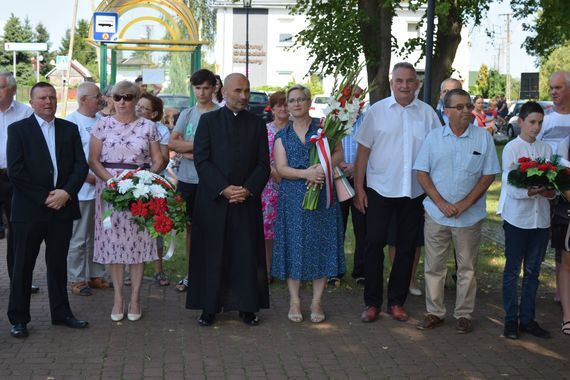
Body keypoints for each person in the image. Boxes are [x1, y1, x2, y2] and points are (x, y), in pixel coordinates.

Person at [354, 62, 441, 323]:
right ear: (392, 83)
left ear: (417, 84)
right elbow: (363, 152)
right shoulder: (376, 112)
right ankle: (372, 303)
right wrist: (359, 187)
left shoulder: (428, 115)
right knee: (373, 245)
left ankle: (396, 302)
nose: (404, 85)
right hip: (380, 188)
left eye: (409, 81)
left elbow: (437, 152)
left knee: (406, 248)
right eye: (399, 81)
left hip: (414, 192)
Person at [186, 73, 270, 326]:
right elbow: (202, 159)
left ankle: (247, 306)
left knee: (245, 254)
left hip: (246, 200)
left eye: (246, 90)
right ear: (224, 91)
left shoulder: (256, 124)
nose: (243, 96)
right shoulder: (209, 121)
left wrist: (247, 189)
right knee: (212, 253)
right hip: (214, 201)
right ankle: (209, 307)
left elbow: (263, 164)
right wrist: (223, 188)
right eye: (238, 91)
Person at [7, 82, 89, 338]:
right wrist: (45, 197)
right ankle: (19, 319)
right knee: (23, 266)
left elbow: (80, 165)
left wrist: (66, 192)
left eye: (52, 97)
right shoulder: (18, 130)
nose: (48, 102)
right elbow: (16, 171)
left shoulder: (69, 128)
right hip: (30, 210)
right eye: (42, 98)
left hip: (62, 208)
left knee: (57, 264)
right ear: (31, 102)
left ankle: (62, 313)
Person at [414, 88, 500, 334]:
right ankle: (434, 312)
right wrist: (440, 203)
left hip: (469, 217)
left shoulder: (482, 138)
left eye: (468, 106)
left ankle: (464, 314)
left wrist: (465, 204)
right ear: (447, 111)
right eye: (460, 107)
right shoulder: (433, 138)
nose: (466, 111)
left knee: (468, 269)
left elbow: (488, 175)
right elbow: (422, 172)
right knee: (434, 267)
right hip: (436, 214)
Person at [89, 80, 163, 322]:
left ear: (135, 98)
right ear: (111, 99)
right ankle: (119, 298)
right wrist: (113, 182)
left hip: (138, 191)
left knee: (139, 245)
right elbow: (93, 160)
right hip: (110, 192)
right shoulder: (101, 125)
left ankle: (135, 298)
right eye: (117, 97)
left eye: (128, 97)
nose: (122, 102)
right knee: (114, 245)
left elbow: (159, 159)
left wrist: (144, 180)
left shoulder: (148, 127)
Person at [271, 85, 346, 323]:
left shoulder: (323, 128)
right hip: (293, 197)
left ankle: (316, 300)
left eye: (300, 99)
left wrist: (320, 168)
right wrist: (306, 174)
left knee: (320, 244)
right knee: (294, 246)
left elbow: (338, 154)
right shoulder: (282, 135)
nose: (296, 104)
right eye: (291, 100)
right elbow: (281, 169)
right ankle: (294, 300)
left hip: (322, 195)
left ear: (308, 101)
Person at [498, 101, 553, 339]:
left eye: (540, 122)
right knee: (512, 270)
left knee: (533, 271)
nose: (536, 127)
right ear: (520, 122)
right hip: (517, 219)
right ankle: (511, 320)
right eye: (532, 122)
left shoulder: (546, 149)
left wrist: (549, 191)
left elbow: (553, 185)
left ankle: (528, 319)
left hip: (540, 220)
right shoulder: (512, 148)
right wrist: (529, 191)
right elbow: (511, 186)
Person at [169, 69, 220, 292]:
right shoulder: (187, 114)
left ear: (214, 88)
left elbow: (219, 149)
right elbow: (173, 143)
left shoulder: (220, 114)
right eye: (197, 88)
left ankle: (213, 275)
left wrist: (190, 149)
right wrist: (202, 149)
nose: (201, 92)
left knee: (212, 229)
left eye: (206, 88)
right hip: (187, 180)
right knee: (190, 228)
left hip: (211, 182)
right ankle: (193, 275)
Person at [65, 82, 109, 296]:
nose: (101, 98)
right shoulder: (70, 123)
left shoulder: (103, 121)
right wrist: (86, 177)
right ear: (83, 100)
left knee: (100, 235)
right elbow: (68, 159)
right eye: (96, 95)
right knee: (79, 237)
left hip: (103, 188)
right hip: (82, 190)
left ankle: (96, 275)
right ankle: (76, 278)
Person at [0, 72, 36, 293]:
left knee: (19, 231)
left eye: (1, 87)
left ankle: (19, 280)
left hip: (16, 179)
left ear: (13, 90)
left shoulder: (26, 113)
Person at [538, 71, 570, 307]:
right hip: (550, 192)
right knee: (557, 242)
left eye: (558, 88)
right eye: (551, 88)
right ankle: (560, 290)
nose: (553, 92)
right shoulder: (546, 121)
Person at [135, 93, 171, 286]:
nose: (138, 110)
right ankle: (129, 270)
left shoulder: (161, 129)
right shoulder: (128, 125)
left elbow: (164, 159)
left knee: (157, 227)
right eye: (137, 106)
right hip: (130, 182)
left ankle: (159, 270)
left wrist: (148, 172)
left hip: (155, 182)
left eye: (143, 108)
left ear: (155, 113)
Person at [336, 110, 367, 286]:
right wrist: (340, 164)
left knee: (362, 227)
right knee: (337, 226)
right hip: (338, 177)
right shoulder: (335, 118)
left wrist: (356, 166)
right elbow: (328, 145)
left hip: (360, 178)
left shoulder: (368, 120)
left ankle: (361, 271)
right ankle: (336, 271)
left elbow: (372, 147)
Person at [261, 90, 288, 283]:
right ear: (272, 108)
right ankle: (268, 269)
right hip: (269, 186)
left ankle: (288, 270)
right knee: (268, 231)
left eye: (286, 104)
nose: (283, 108)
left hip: (292, 184)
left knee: (289, 229)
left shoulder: (295, 129)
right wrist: (273, 171)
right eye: (279, 105)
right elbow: (260, 156)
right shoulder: (265, 130)